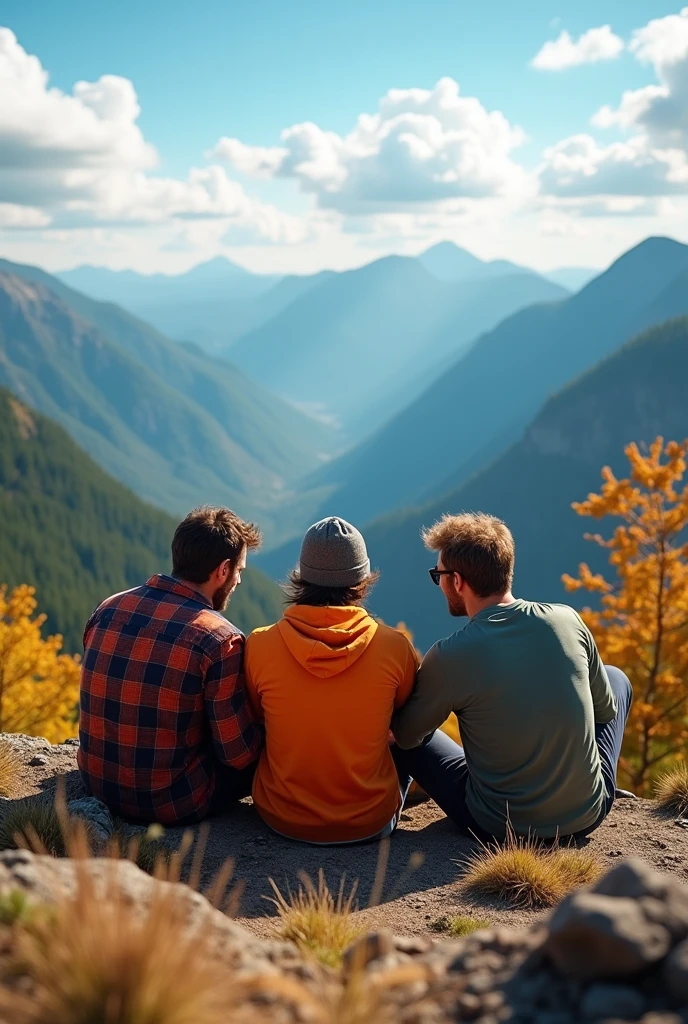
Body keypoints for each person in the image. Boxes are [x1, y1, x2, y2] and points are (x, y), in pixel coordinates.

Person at [392, 512, 633, 842]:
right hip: (587, 813)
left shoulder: (450, 655)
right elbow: (605, 712)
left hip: (496, 826)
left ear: (457, 581)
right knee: (615, 677)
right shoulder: (568, 621)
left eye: (439, 575)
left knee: (409, 733)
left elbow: (406, 738)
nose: (440, 583)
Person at [78, 506, 263, 825]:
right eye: (240, 571)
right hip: (170, 800)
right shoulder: (220, 638)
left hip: (98, 783)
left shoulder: (108, 609)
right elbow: (238, 754)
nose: (238, 581)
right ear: (223, 571)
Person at [244, 516, 418, 844]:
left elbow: (256, 716)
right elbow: (404, 713)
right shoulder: (394, 647)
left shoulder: (260, 644)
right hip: (369, 822)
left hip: (281, 817)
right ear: (362, 580)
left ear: (302, 576)